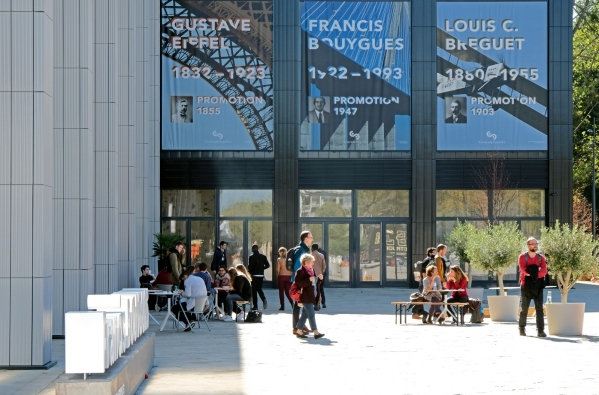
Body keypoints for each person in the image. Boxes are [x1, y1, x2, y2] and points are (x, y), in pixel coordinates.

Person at [518, 237, 547, 337]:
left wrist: (534, 274)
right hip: (526, 285)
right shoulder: (522, 257)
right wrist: (534, 271)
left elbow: (544, 270)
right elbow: (523, 269)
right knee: (524, 308)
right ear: (528, 245)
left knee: (539, 308)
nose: (535, 245)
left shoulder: (541, 258)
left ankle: (540, 330)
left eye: (536, 243)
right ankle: (521, 328)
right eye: (532, 244)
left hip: (538, 285)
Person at [293, 254, 325, 339]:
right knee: (311, 314)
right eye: (312, 262)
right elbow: (298, 283)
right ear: (306, 262)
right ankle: (316, 332)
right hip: (305, 296)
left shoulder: (311, 270)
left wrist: (319, 279)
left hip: (311, 295)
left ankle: (299, 331)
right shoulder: (300, 271)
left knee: (305, 314)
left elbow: (313, 284)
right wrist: (308, 280)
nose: (313, 263)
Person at [291, 231, 313, 334]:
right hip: (299, 282)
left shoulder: (304, 249)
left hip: (302, 281)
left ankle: (300, 325)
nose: (312, 239)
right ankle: (296, 327)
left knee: (302, 303)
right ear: (305, 239)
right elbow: (297, 267)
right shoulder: (301, 251)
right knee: (298, 304)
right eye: (310, 237)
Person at [248, 244, 270, 310]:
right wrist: (262, 268)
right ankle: (264, 299)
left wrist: (249, 272)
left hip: (254, 275)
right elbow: (268, 265)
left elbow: (250, 267)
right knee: (259, 288)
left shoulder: (251, 257)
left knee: (254, 291)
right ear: (258, 249)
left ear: (252, 249)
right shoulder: (263, 256)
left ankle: (255, 306)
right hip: (261, 275)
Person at [310, 244, 326, 310]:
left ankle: (316, 304)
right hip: (320, 276)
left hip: (313, 276)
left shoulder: (310, 255)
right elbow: (324, 266)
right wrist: (321, 273)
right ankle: (323, 303)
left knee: (314, 289)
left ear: (312, 248)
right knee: (320, 289)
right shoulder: (321, 255)